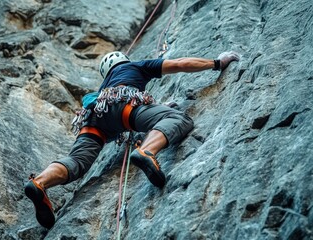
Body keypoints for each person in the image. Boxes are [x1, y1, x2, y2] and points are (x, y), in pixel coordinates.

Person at [24, 51, 240, 229]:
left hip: (94, 117)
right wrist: (216, 63)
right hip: (123, 107)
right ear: (123, 60)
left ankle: (40, 182)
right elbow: (180, 64)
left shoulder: (104, 86)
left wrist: (158, 107)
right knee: (176, 118)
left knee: (78, 161)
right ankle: (147, 152)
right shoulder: (136, 66)